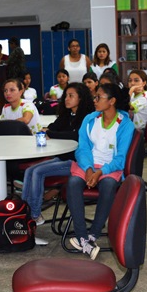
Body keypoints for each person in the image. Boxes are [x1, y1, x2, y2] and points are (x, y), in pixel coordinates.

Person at [66, 82, 134, 260]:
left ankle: (93, 234)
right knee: (73, 183)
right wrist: (89, 168)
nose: (94, 100)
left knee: (109, 185)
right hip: (87, 164)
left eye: (99, 97)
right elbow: (82, 149)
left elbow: (120, 159)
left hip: (111, 167)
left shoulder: (125, 125)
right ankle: (82, 236)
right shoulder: (90, 119)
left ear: (112, 101)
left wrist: (100, 172)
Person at [21, 82, 92, 225]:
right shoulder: (68, 114)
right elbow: (54, 127)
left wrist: (52, 133)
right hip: (63, 157)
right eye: (66, 95)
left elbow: (75, 135)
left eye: (71, 96)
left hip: (77, 162)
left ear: (81, 98)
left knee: (38, 172)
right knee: (29, 170)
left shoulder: (87, 117)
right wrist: (49, 131)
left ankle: (34, 215)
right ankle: (24, 211)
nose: (66, 98)